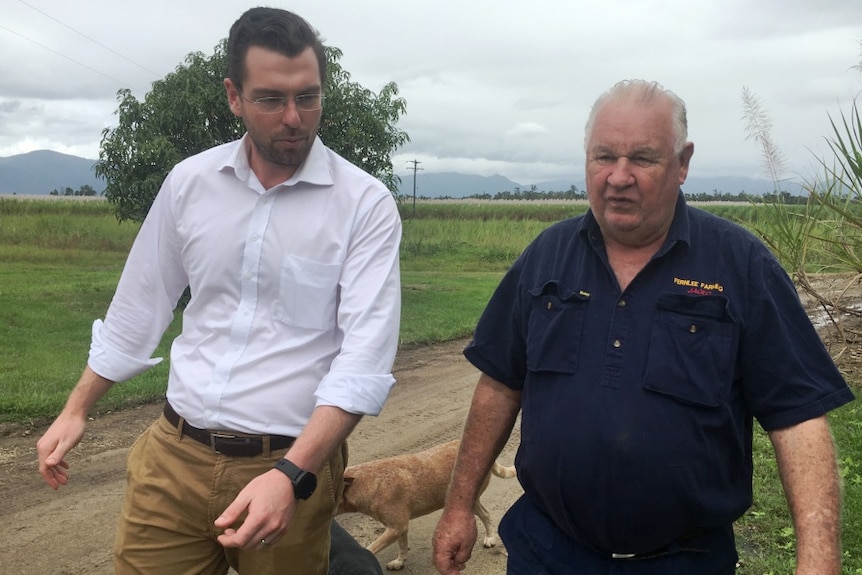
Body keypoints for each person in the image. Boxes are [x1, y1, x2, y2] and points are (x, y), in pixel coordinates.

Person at [432, 79, 855, 575]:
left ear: (683, 163)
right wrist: (460, 506)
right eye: (604, 156)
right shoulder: (547, 256)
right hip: (546, 553)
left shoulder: (741, 265)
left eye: (643, 158)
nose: (618, 176)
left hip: (684, 561)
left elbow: (798, 418)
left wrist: (818, 560)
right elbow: (500, 385)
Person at [36, 7, 401, 575]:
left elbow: (364, 360)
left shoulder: (363, 204)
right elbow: (141, 303)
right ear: (234, 95)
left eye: (308, 97)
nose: (294, 118)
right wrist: (76, 409)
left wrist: (293, 475)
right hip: (174, 453)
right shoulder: (189, 183)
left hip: (288, 464)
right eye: (271, 99)